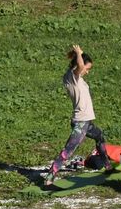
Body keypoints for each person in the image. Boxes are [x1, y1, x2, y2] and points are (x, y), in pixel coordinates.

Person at [46, 44, 109, 186]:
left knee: (100, 137)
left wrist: (79, 56)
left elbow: (80, 67)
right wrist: (79, 53)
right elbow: (80, 66)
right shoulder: (72, 76)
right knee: (68, 151)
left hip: (87, 122)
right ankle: (49, 178)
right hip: (81, 122)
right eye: (88, 68)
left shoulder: (76, 78)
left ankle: (108, 166)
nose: (87, 72)